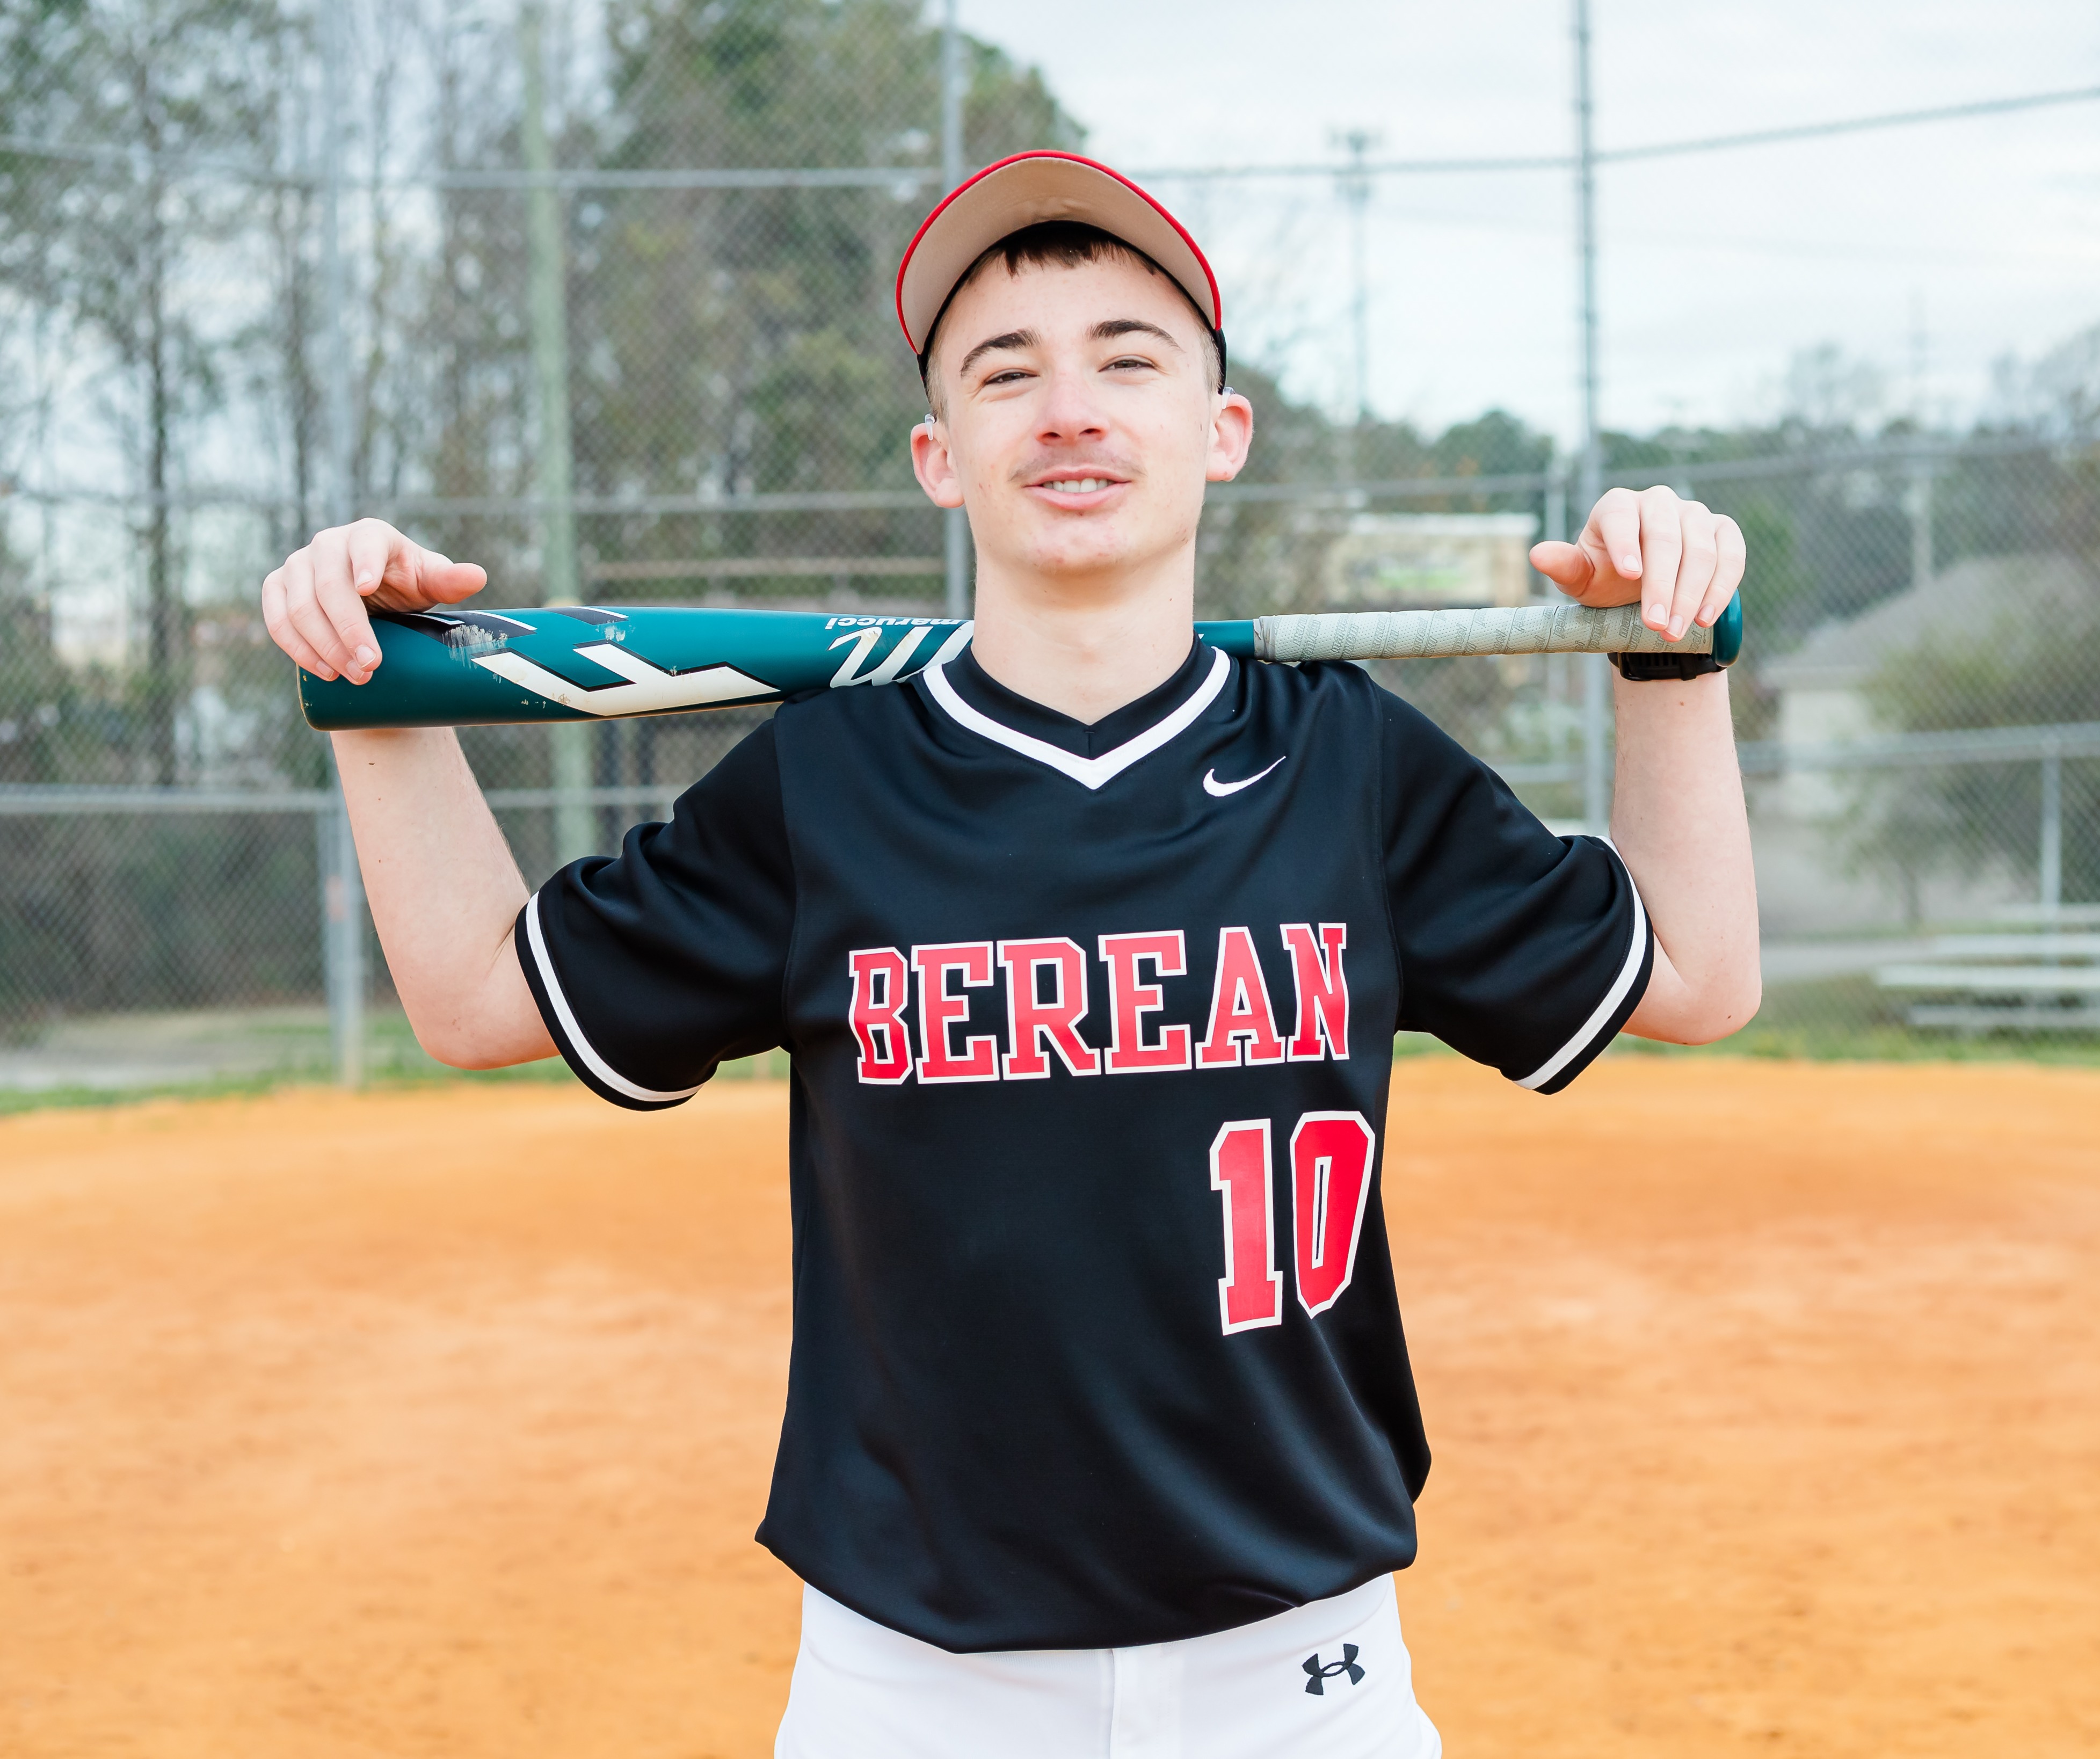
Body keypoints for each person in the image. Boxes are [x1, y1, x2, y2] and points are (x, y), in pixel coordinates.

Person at [262, 151, 1758, 1758]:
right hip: (917, 1676)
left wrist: (1669, 663)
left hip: (1298, 1662)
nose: (1069, 410)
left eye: (1128, 359)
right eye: (1004, 372)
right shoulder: (828, 786)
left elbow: (1697, 975)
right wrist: (375, 690)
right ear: (940, 457)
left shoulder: (1353, 767)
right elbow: (480, 994)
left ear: (1221, 432)